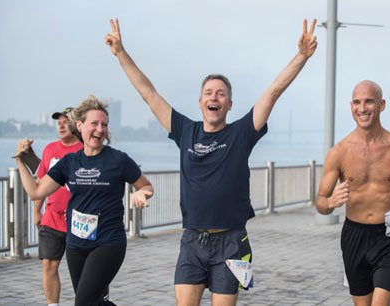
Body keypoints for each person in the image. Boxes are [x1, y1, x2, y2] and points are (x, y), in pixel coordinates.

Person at [106, 17, 317, 306]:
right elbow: (148, 94)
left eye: (221, 93)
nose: (214, 97)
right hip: (192, 242)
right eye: (208, 93)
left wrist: (302, 56)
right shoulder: (185, 130)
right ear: (200, 102)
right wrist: (120, 52)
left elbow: (273, 92)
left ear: (229, 104)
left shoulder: (241, 133)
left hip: (231, 242)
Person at [15, 96, 154, 306]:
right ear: (80, 126)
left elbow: (146, 185)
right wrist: (19, 161)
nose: (100, 129)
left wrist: (142, 193)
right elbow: (36, 192)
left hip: (108, 242)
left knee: (83, 303)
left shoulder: (119, 160)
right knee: (94, 302)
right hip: (76, 244)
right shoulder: (69, 162)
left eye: (104, 125)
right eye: (94, 124)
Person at [315, 80, 390, 306]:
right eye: (357, 102)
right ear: (351, 106)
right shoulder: (339, 152)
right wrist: (331, 202)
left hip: (389, 236)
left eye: (369, 101)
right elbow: (320, 203)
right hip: (354, 236)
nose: (362, 108)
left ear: (381, 105)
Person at [28, 107, 83, 306]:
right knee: (49, 265)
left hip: (79, 220)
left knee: (83, 269)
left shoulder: (84, 149)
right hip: (51, 217)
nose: (60, 125)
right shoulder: (50, 149)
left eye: (65, 121)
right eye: (58, 122)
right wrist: (36, 211)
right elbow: (41, 182)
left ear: (77, 124)